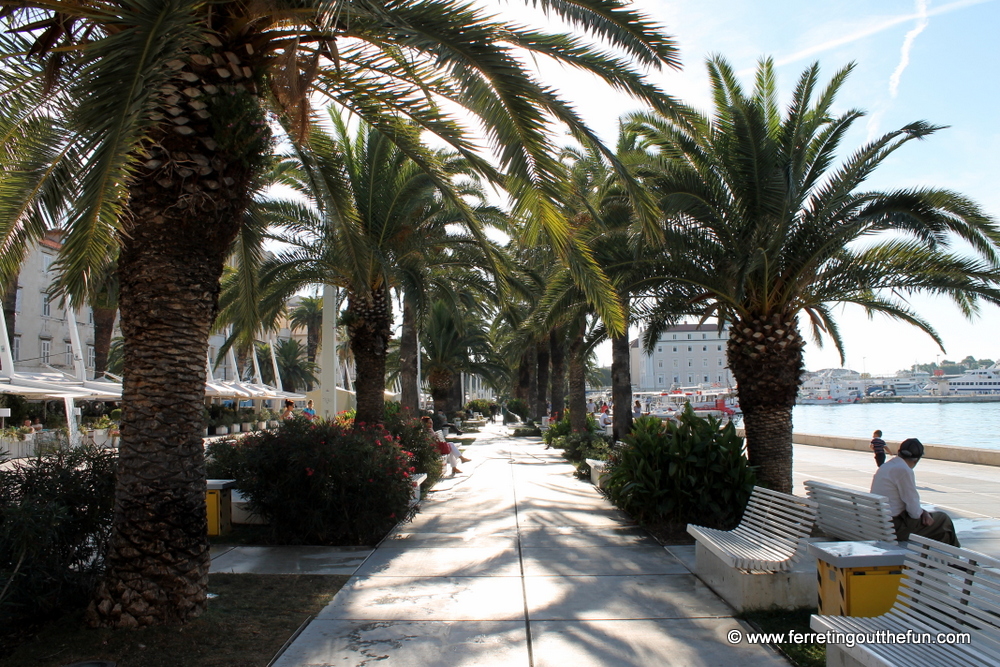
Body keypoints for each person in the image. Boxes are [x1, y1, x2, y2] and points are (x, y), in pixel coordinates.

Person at [870, 438, 960, 546]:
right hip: (893, 528)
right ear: (916, 459)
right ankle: (954, 559)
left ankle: (948, 560)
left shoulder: (886, 466)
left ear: (899, 452)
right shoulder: (904, 470)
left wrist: (923, 512)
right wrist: (922, 513)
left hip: (878, 524)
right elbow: (914, 512)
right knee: (943, 520)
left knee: (940, 529)